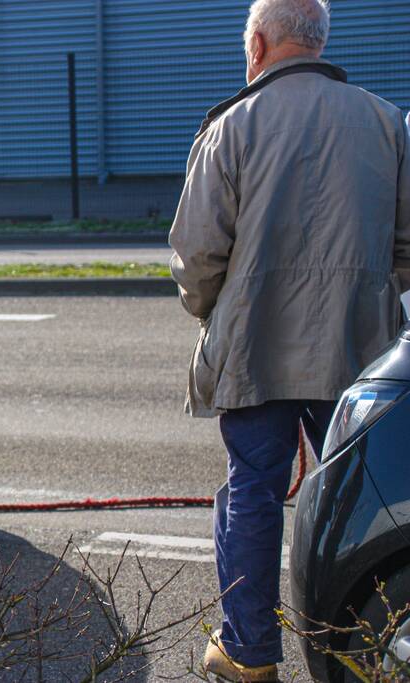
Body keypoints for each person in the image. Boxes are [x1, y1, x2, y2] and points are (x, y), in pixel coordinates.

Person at [169, 0, 410, 680]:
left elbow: (194, 254)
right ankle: (360, 643)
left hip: (255, 347)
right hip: (357, 348)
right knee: (362, 500)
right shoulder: (384, 121)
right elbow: (407, 245)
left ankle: (247, 654)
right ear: (318, 42)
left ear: (257, 42)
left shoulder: (231, 126)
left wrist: (215, 311)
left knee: (252, 489)